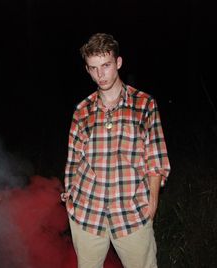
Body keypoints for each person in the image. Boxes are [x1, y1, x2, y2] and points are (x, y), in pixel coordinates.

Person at [61, 33, 171, 268]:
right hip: (88, 212)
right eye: (93, 68)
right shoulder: (82, 110)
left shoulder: (144, 104)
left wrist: (152, 203)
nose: (100, 75)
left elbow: (156, 158)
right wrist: (71, 198)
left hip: (131, 212)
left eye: (106, 65)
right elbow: (73, 161)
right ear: (87, 70)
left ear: (118, 63)